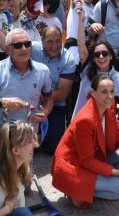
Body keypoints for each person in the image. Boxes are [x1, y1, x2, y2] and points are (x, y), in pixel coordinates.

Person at [52, 74, 119, 209]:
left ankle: (84, 189)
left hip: (94, 155)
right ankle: (76, 190)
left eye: (112, 91)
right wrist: (116, 172)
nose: (109, 96)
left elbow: (118, 133)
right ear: (93, 93)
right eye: (104, 92)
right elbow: (86, 161)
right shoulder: (85, 119)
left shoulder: (110, 105)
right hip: (73, 166)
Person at [0, 29, 53, 151]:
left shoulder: (43, 71)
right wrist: (2, 103)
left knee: (22, 167)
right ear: (8, 49)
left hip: (27, 130)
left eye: (27, 44)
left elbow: (49, 99)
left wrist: (44, 113)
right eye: (17, 45)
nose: (24, 49)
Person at [29, 25, 75, 154]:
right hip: (29, 102)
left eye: (58, 41)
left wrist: (40, 98)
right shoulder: (31, 49)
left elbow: (62, 94)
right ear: (41, 41)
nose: (54, 45)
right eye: (50, 41)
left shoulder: (69, 59)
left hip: (55, 104)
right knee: (28, 146)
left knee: (52, 149)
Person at [72, 40, 119, 120]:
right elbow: (80, 43)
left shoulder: (117, 78)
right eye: (97, 54)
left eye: (105, 53)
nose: (101, 57)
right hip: (79, 121)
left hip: (102, 124)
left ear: (111, 56)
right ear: (93, 59)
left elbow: (112, 105)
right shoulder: (86, 70)